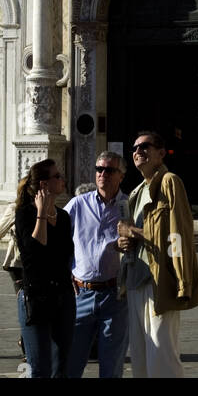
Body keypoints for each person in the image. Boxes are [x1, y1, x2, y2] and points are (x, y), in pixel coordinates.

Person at [117, 131, 198, 379]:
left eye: (145, 147)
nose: (138, 151)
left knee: (162, 352)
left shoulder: (169, 182)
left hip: (159, 277)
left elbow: (178, 232)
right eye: (134, 148)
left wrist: (181, 278)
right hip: (136, 277)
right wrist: (123, 241)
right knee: (141, 355)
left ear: (161, 153)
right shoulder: (136, 192)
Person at [65, 152, 130, 379]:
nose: (102, 174)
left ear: (121, 176)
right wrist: (66, 274)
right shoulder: (77, 205)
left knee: (111, 367)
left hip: (115, 296)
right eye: (99, 169)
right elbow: (58, 242)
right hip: (80, 293)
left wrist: (131, 242)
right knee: (70, 364)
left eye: (109, 170)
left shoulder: (129, 206)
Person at [14, 159, 75, 378]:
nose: (62, 179)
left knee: (62, 367)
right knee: (40, 368)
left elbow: (66, 254)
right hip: (36, 297)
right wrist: (41, 213)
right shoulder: (24, 214)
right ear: (43, 184)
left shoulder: (65, 217)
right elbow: (33, 252)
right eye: (57, 176)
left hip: (63, 296)